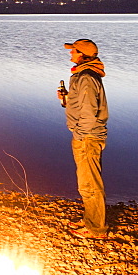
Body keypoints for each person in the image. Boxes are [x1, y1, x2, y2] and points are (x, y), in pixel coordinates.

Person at [57, 39, 109, 239]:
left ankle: (96, 228)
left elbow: (89, 112)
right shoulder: (84, 75)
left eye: (74, 51)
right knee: (86, 182)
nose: (70, 54)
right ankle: (91, 219)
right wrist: (67, 100)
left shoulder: (86, 77)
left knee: (90, 183)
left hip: (87, 136)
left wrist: (79, 134)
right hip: (86, 134)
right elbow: (83, 104)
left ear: (82, 54)